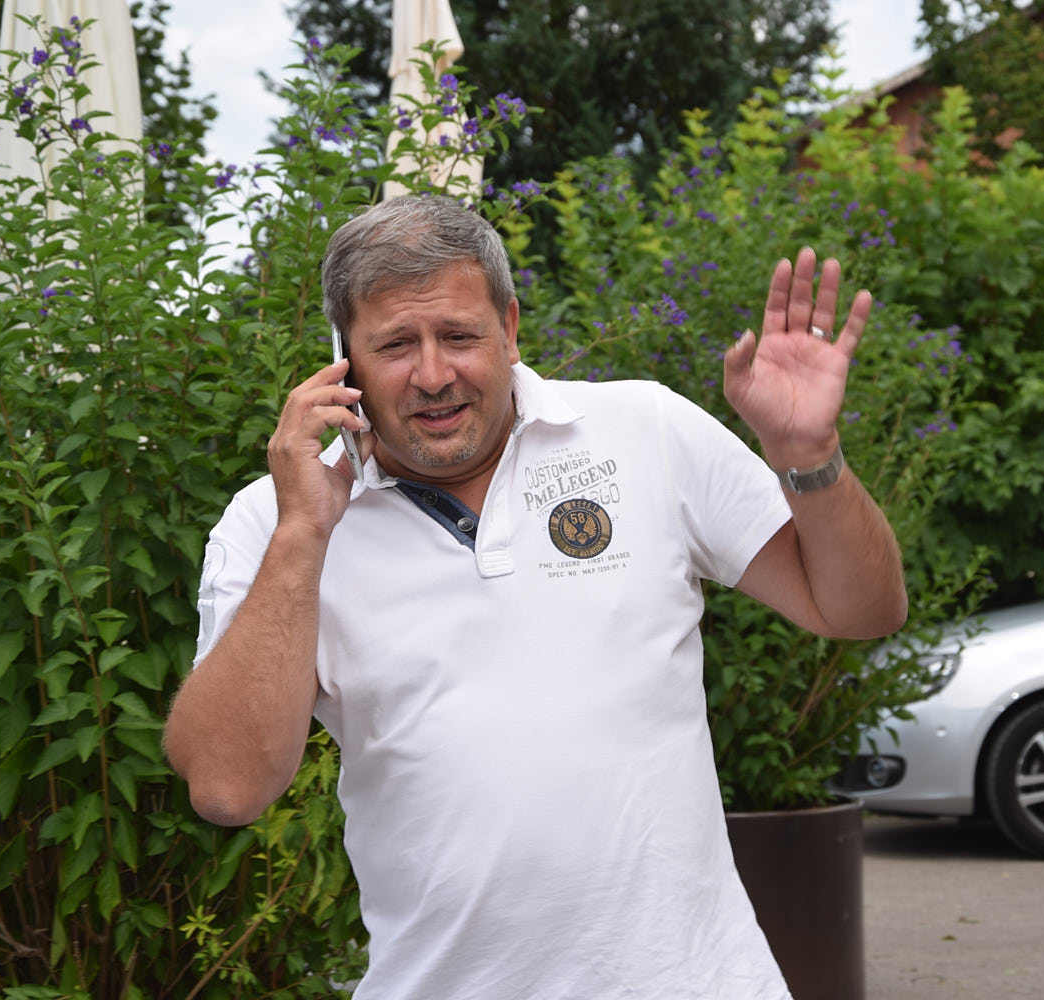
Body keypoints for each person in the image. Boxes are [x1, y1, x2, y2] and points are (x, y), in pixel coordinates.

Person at [164, 195, 907, 999]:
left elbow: (862, 610)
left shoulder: (646, 429)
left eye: (459, 336)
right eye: (395, 345)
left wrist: (809, 456)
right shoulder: (274, 521)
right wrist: (304, 532)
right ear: (343, 361)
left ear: (510, 328)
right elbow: (228, 788)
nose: (433, 375)